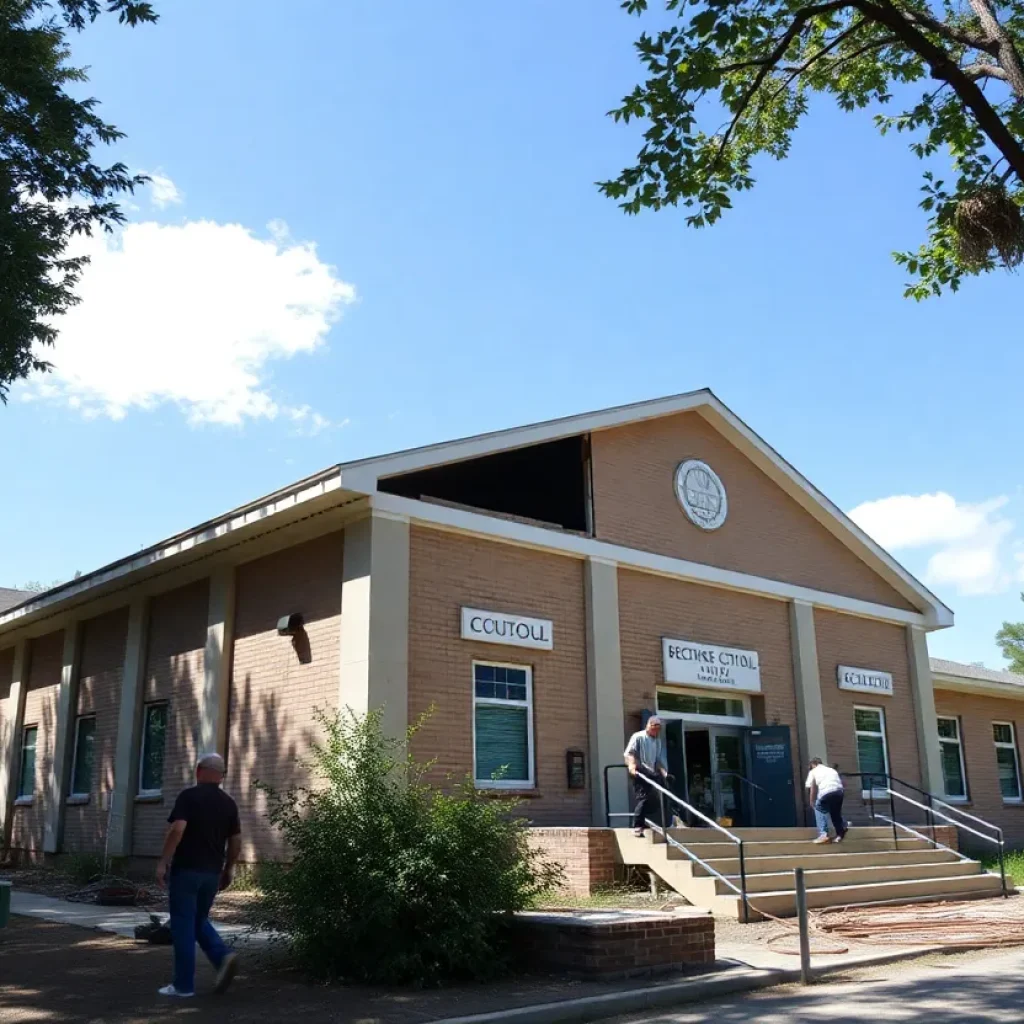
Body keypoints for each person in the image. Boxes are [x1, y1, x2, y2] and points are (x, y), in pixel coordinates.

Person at [155, 752, 242, 998]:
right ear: (222, 776)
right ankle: (222, 956)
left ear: (199, 770)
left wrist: (163, 862)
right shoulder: (229, 803)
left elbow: (177, 829)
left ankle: (183, 985)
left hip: (186, 871)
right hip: (212, 874)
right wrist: (229, 868)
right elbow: (236, 841)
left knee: (183, 924)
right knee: (197, 920)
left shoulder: (189, 796)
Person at [624, 716, 669, 837]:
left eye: (658, 729)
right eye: (654, 728)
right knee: (643, 798)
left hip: (651, 771)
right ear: (648, 725)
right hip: (639, 770)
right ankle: (637, 825)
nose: (656, 731)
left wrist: (663, 772)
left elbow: (657, 759)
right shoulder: (638, 736)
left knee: (658, 797)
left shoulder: (657, 741)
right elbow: (630, 753)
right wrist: (632, 766)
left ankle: (647, 821)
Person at [805, 757, 847, 844]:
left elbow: (811, 788)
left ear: (813, 764)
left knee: (818, 807)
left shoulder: (814, 771)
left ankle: (823, 835)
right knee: (835, 813)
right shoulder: (831, 770)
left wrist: (811, 801)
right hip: (839, 792)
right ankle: (840, 833)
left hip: (827, 792)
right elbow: (842, 783)